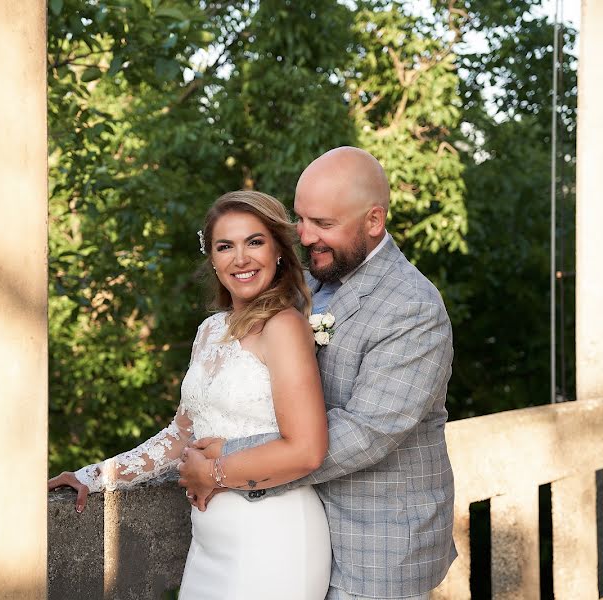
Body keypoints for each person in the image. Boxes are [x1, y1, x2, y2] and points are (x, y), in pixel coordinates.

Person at [180, 147, 457, 600]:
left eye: (323, 224)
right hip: (290, 530)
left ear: (373, 221)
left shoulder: (412, 308)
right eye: (301, 219)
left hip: (374, 549)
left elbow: (366, 432)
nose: (305, 237)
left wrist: (224, 464)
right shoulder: (307, 282)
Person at [47, 190, 333, 599]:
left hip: (273, 538)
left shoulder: (283, 326)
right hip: (210, 546)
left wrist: (214, 473)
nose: (241, 258)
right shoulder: (210, 331)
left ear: (279, 251)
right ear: (212, 259)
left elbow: (307, 450)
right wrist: (92, 476)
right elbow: (179, 435)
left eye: (255, 242)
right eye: (225, 246)